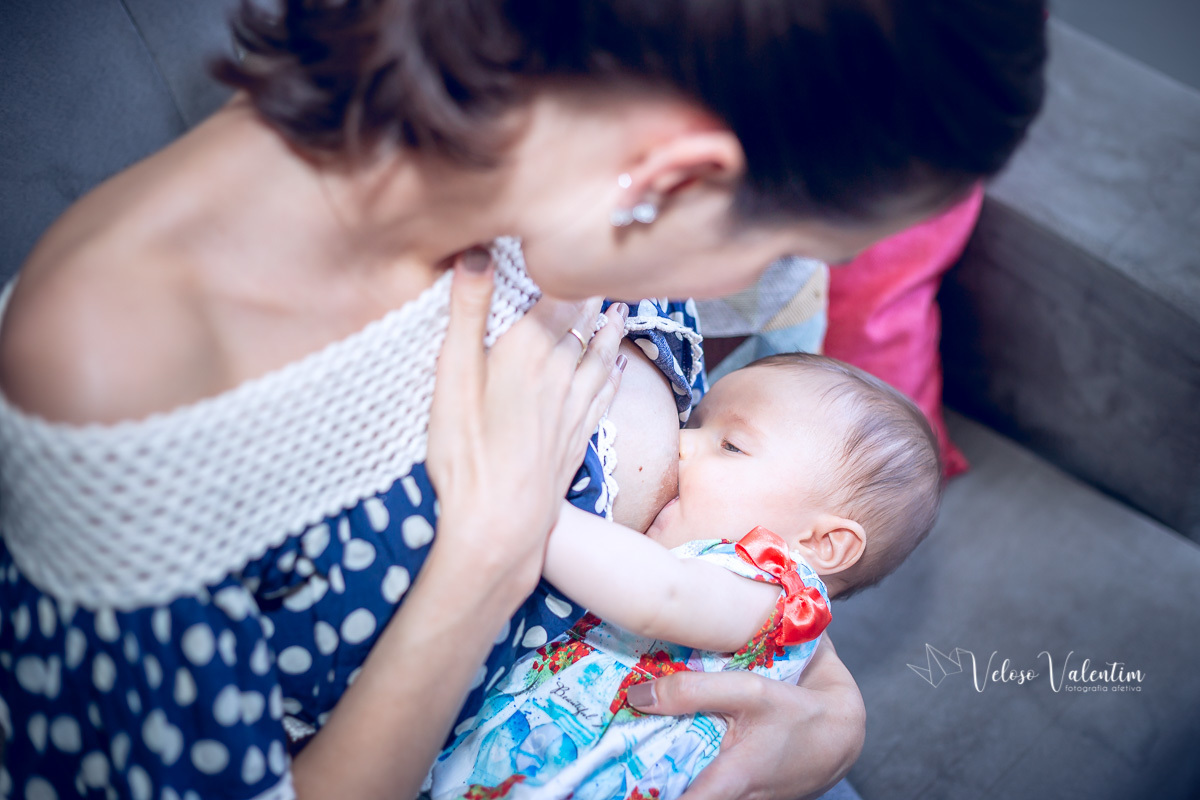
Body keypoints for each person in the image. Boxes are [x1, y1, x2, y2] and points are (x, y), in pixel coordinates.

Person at [0, 1, 1046, 798]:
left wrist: (828, 709)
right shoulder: (123, 379)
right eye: (780, 246)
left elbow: (779, 489)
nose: (764, 283)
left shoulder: (571, 141)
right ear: (674, 173)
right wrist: (487, 560)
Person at [425, 350, 941, 799]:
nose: (682, 441)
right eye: (697, 422)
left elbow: (661, 594)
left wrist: (528, 506)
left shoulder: (775, 589)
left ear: (821, 544)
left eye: (731, 445)